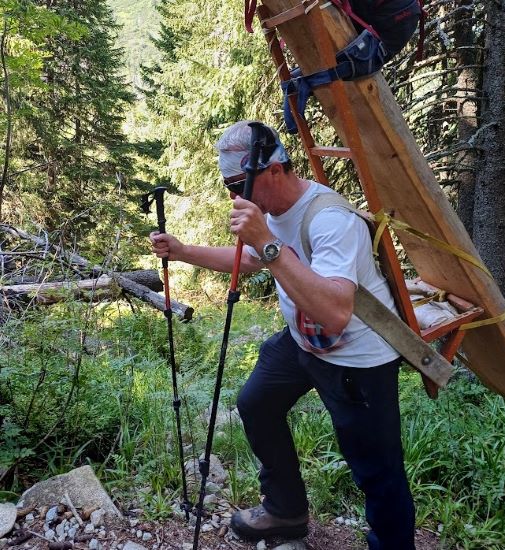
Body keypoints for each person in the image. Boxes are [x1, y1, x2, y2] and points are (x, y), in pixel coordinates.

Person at [150, 120, 415, 550]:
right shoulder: (274, 212)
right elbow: (252, 258)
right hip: (302, 343)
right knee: (257, 403)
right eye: (227, 186)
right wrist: (182, 252)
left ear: (274, 170)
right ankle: (286, 510)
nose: (235, 197)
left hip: (356, 357)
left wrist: (268, 243)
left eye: (239, 184)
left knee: (377, 469)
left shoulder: (331, 220)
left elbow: (334, 313)